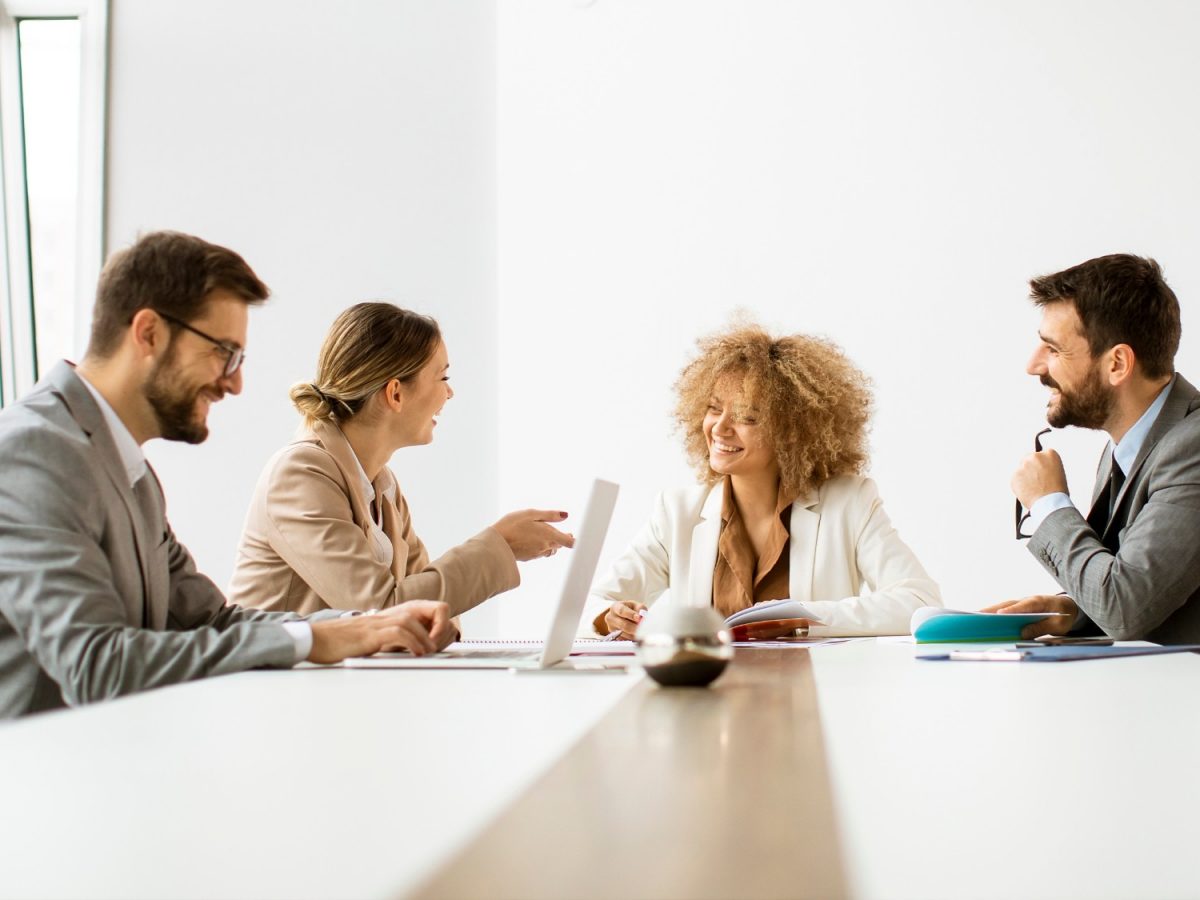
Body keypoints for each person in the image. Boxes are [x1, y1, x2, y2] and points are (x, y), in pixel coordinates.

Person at [0, 232, 452, 719]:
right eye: (224, 352)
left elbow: (209, 620)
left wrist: (361, 628)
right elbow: (98, 665)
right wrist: (315, 638)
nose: (234, 383)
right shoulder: (33, 452)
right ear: (149, 333)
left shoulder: (130, 471)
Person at [585, 322, 940, 639]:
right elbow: (594, 603)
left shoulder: (851, 503)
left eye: (747, 417)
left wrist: (802, 618)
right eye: (713, 408)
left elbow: (919, 601)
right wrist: (609, 618)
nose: (720, 428)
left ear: (791, 432)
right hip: (708, 690)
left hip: (812, 691)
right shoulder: (677, 512)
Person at [228, 302, 574, 621]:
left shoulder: (383, 485)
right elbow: (382, 610)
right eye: (443, 378)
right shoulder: (301, 474)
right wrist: (502, 544)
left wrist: (437, 623)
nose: (449, 392)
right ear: (395, 393)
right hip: (282, 669)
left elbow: (429, 607)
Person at [984, 254, 1200, 642]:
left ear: (1117, 363)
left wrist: (1048, 503)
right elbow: (1153, 587)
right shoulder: (1131, 445)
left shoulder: (1192, 447)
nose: (1033, 365)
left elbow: (1125, 609)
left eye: (1053, 349)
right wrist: (1073, 610)